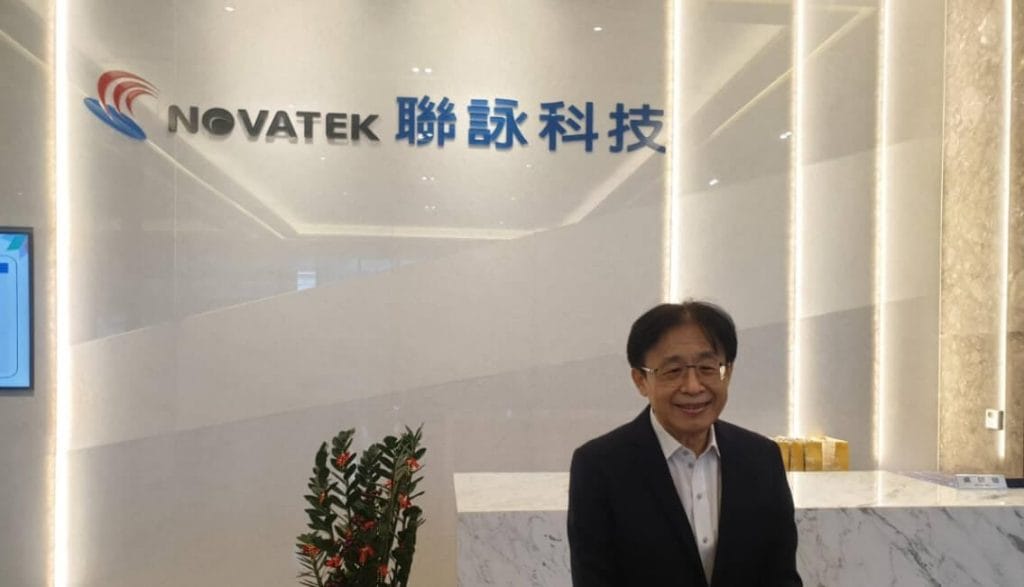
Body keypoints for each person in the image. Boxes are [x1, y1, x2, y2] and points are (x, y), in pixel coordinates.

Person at [567, 301, 802, 587]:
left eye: (707, 367)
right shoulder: (599, 467)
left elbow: (781, 576)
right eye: (673, 370)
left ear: (727, 372)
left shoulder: (761, 458)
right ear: (640, 380)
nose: (693, 386)